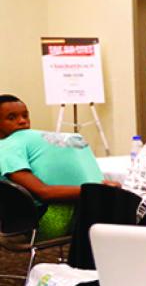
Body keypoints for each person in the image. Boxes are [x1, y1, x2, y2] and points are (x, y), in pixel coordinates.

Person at [0, 95, 117, 239]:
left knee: (117, 203)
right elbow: (44, 192)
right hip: (42, 220)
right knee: (114, 207)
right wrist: (95, 191)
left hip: (53, 212)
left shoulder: (25, 144)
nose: (22, 121)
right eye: (11, 118)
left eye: (25, 115)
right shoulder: (7, 149)